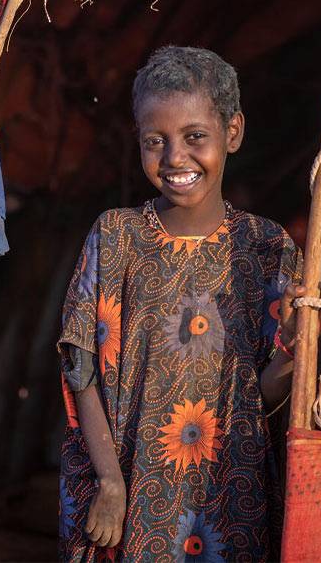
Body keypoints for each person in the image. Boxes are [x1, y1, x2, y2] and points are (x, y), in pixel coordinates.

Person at [57, 46, 304, 562]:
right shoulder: (115, 237)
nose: (174, 158)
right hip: (127, 491)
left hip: (229, 499)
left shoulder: (267, 248)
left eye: (195, 137)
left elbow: (265, 396)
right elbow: (78, 367)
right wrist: (109, 480)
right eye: (155, 141)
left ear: (232, 133)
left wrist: (290, 354)